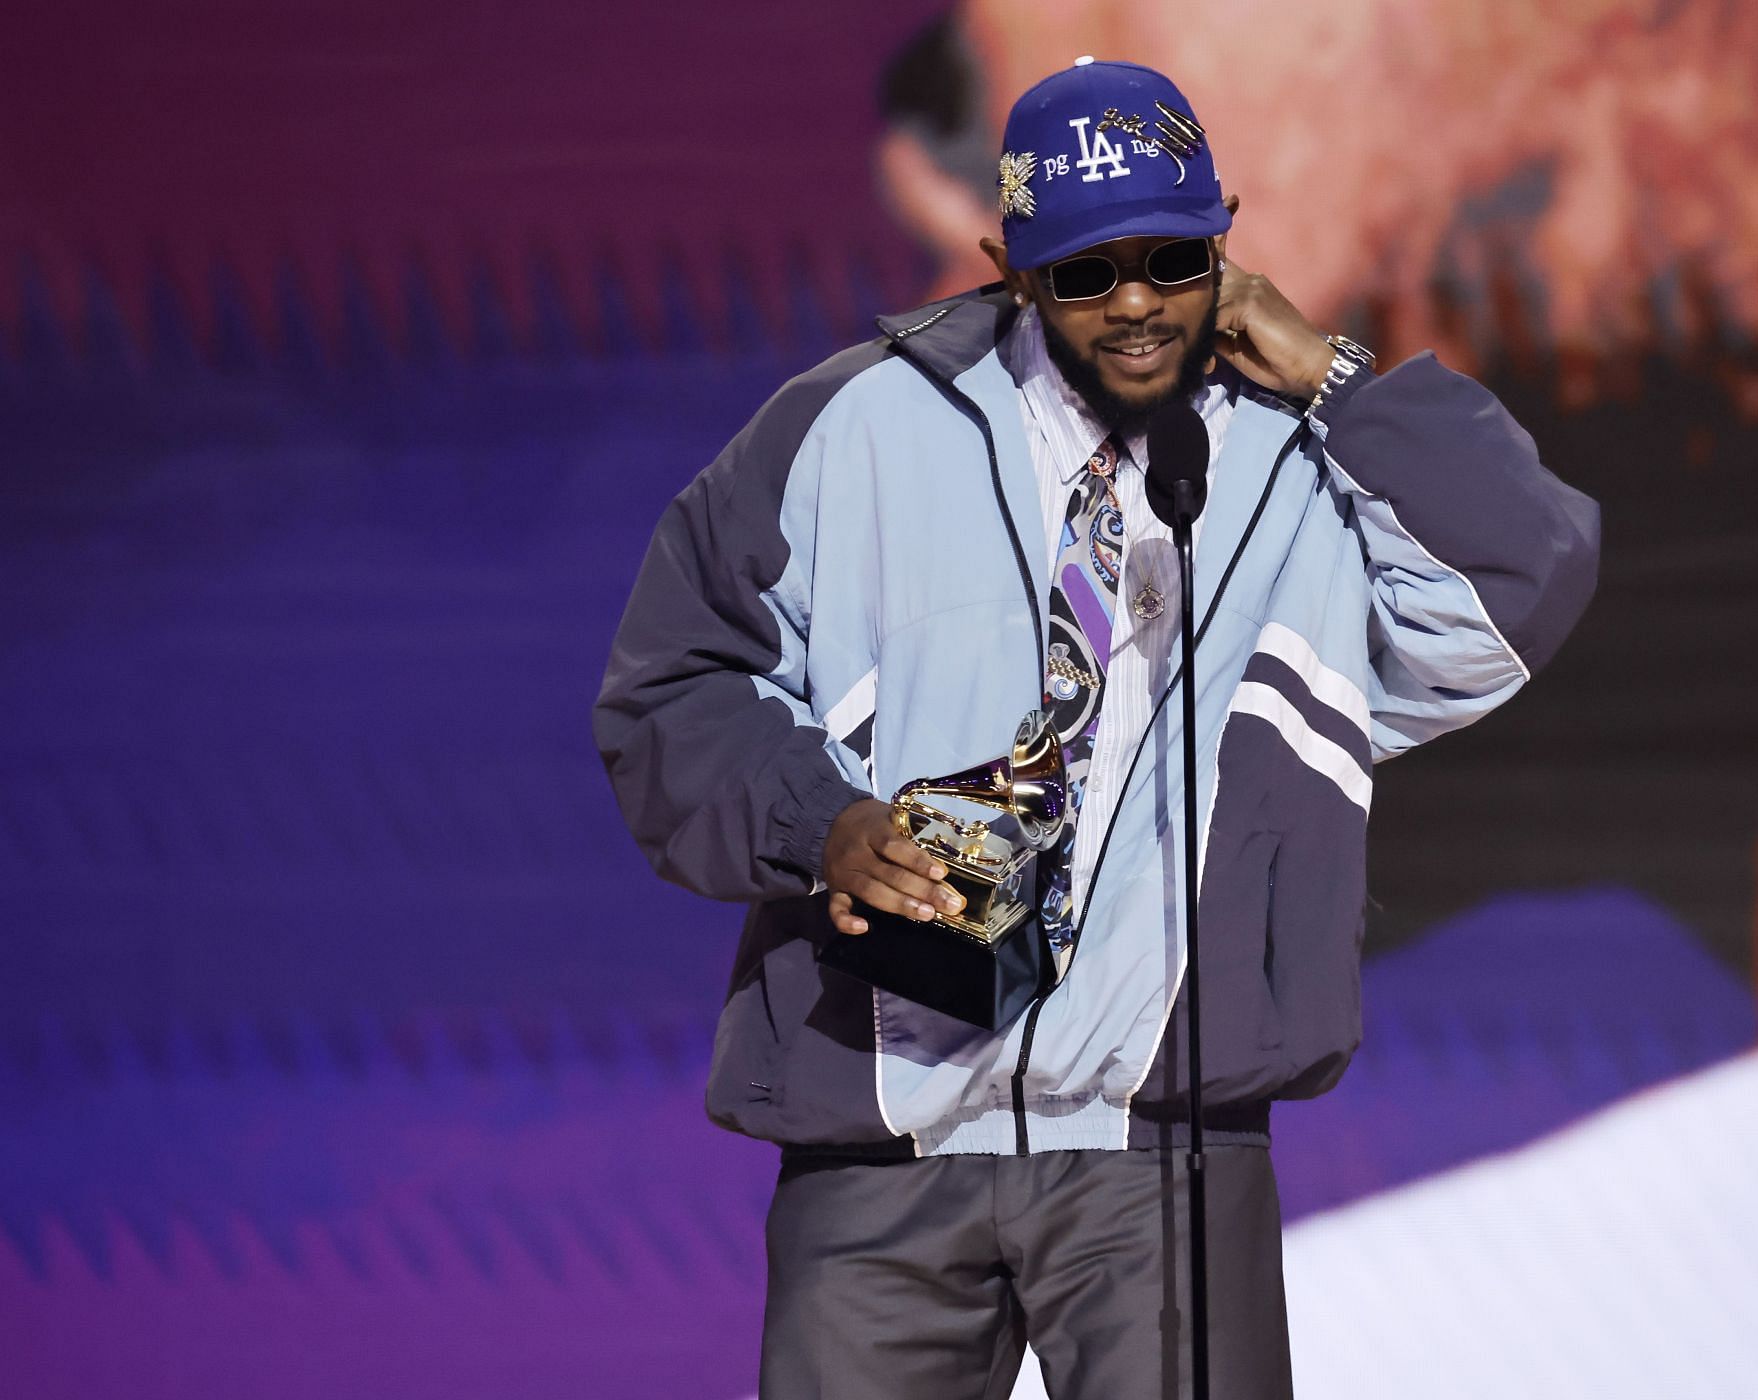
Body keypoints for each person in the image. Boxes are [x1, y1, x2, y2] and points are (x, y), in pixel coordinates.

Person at [595, 57, 1600, 1400]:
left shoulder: (1306, 457)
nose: (1135, 301)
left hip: (1165, 1152)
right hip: (881, 1146)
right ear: (1008, 266)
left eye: (1173, 260)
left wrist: (1338, 376)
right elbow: (673, 687)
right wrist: (819, 826)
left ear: (1225, 245)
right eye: (1085, 272)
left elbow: (1522, 575)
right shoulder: (853, 430)